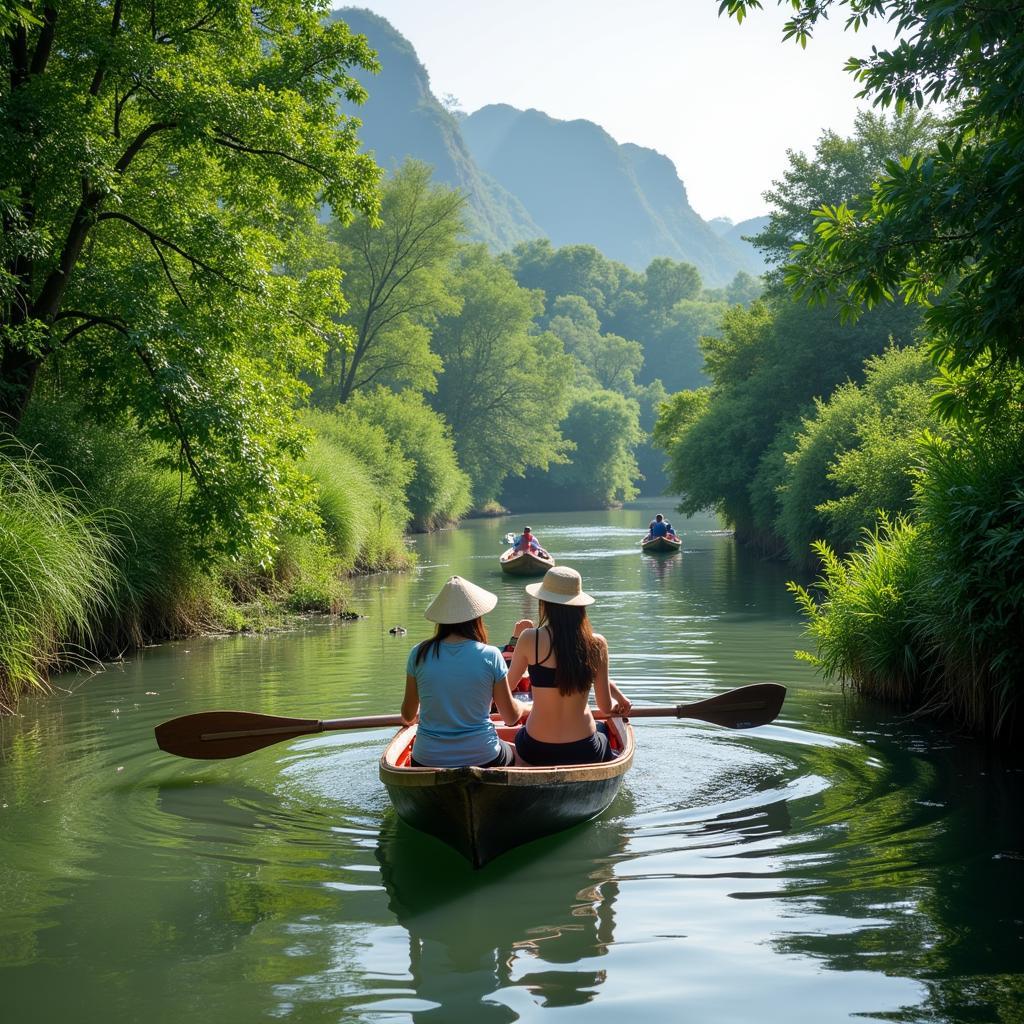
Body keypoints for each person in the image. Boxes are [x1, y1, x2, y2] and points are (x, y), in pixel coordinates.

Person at [505, 566, 631, 766]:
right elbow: (605, 707)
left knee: (520, 739)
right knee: (602, 731)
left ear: (544, 603)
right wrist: (619, 702)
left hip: (537, 748)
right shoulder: (597, 644)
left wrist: (523, 707)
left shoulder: (530, 638)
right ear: (580, 605)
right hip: (584, 749)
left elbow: (508, 686)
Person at [401, 576, 530, 768]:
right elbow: (510, 718)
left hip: (427, 759)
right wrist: (525, 707)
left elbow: (408, 715)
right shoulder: (491, 655)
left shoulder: (418, 654)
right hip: (484, 756)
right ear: (476, 617)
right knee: (522, 757)